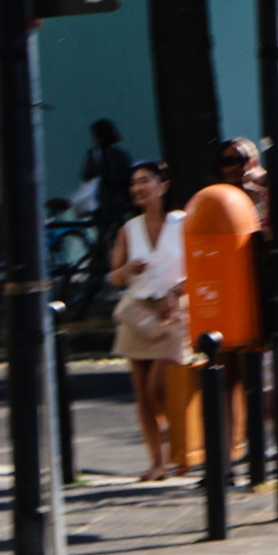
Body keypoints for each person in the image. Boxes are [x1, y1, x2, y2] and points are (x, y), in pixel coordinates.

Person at [106, 159, 190, 481]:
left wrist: (175, 293)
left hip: (174, 312)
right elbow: (114, 277)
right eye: (133, 183)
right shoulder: (129, 229)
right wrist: (128, 270)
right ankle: (159, 462)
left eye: (145, 181)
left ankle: (184, 443)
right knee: (142, 394)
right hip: (138, 313)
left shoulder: (182, 222)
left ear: (163, 185)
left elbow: (199, 266)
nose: (138, 188)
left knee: (159, 387)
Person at [81, 120, 133, 239]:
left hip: (101, 204)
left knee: (103, 236)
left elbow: (86, 176)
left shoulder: (93, 155)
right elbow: (128, 176)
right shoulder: (121, 154)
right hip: (120, 203)